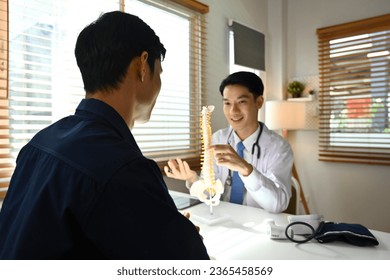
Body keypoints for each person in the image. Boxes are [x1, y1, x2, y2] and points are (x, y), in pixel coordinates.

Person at [0, 11, 209, 260]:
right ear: (142, 65)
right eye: (160, 73)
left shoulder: (39, 143)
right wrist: (186, 238)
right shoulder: (123, 168)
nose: (159, 85)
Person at [164, 71, 293, 213]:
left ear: (259, 102)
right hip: (224, 221)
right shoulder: (218, 139)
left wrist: (246, 170)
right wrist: (193, 178)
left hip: (260, 226)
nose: (233, 111)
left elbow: (278, 204)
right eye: (227, 103)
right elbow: (211, 195)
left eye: (241, 102)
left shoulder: (279, 148)